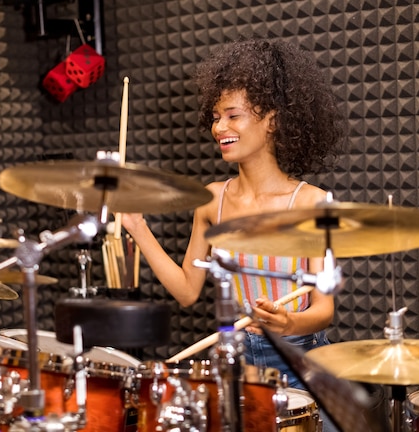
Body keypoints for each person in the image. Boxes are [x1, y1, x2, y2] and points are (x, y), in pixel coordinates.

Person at [122, 37, 347, 430]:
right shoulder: (212, 200)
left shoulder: (312, 203)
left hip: (301, 364)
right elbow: (188, 291)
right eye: (215, 116)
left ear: (272, 120)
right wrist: (138, 228)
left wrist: (287, 323)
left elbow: (324, 311)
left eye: (232, 115)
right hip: (239, 363)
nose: (218, 127)